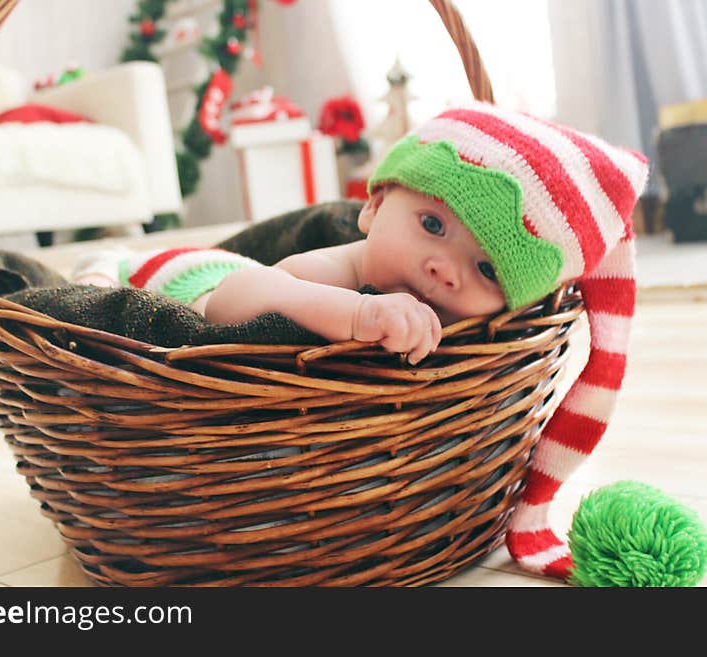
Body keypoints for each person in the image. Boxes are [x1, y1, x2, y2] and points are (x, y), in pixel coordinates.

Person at [73, 100, 650, 581]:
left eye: (487, 269)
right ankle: (103, 263)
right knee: (95, 287)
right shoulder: (335, 270)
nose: (445, 270)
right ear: (372, 207)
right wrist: (355, 313)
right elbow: (231, 302)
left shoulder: (460, 319)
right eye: (432, 225)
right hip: (180, 276)